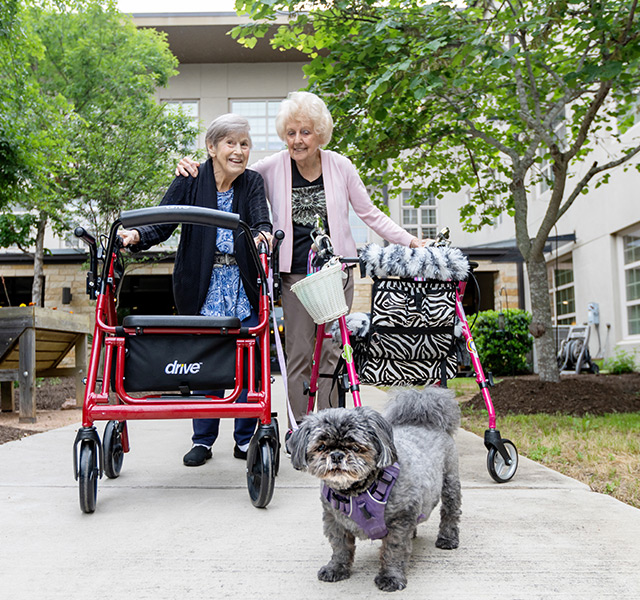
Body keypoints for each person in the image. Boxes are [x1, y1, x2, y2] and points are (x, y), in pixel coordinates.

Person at [176, 92, 428, 446]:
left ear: (320, 134)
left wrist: (410, 241)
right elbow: (232, 173)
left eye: (306, 132)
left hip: (336, 273)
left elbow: (370, 214)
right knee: (297, 353)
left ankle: (328, 426)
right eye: (291, 132)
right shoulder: (271, 168)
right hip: (294, 275)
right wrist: (193, 168)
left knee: (331, 352)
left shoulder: (341, 166)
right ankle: (300, 429)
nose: (297, 140)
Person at [120, 114, 272, 467]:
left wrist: (263, 236)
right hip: (201, 286)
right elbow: (161, 221)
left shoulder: (251, 183)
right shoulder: (191, 177)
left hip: (242, 285)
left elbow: (261, 221)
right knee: (203, 364)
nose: (238, 150)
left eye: (244, 144)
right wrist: (135, 236)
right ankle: (203, 441)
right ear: (212, 147)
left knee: (247, 366)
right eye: (230, 143)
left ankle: (245, 439)